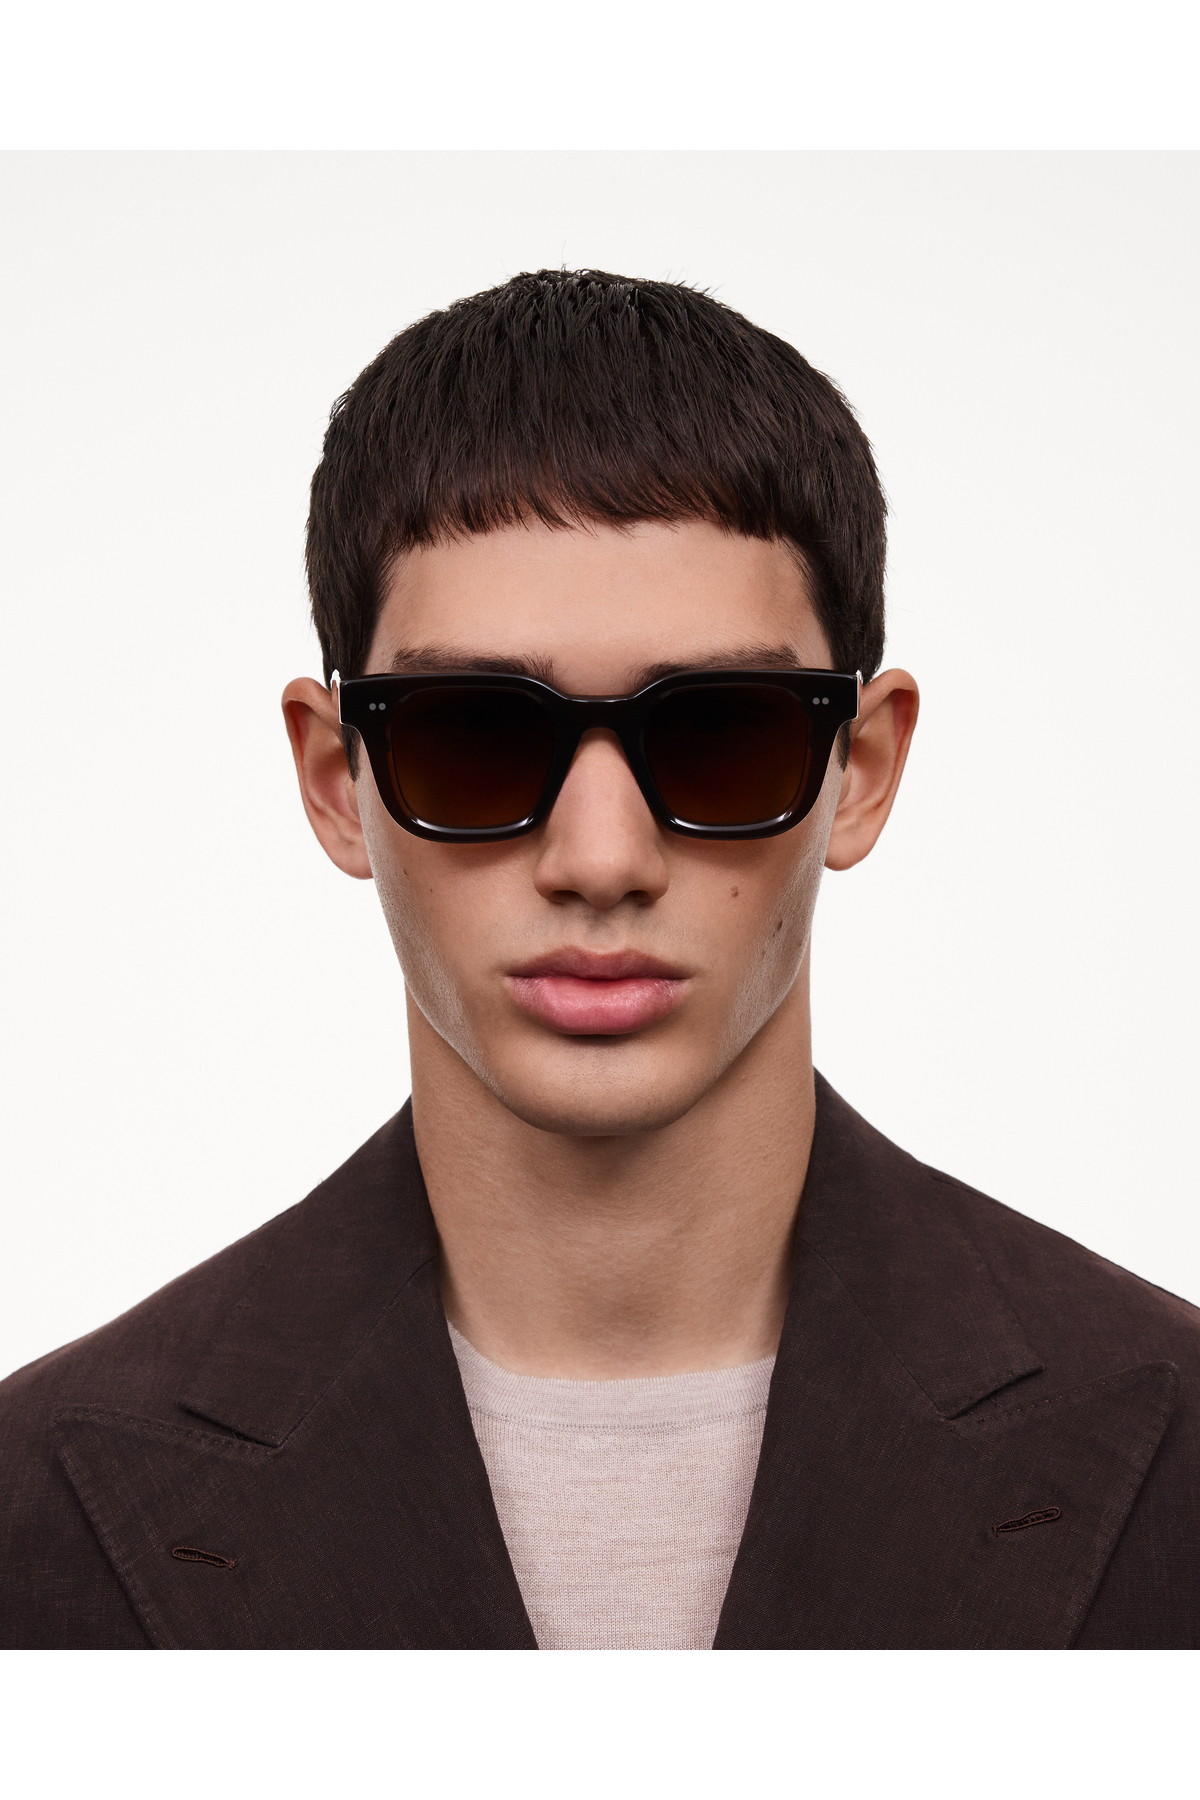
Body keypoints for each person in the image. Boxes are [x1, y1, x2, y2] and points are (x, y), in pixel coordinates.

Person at [2, 269, 1197, 1650]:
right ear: (337, 782)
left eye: (724, 731)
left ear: (862, 769)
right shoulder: (33, 1509)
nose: (601, 857)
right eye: (471, 736)